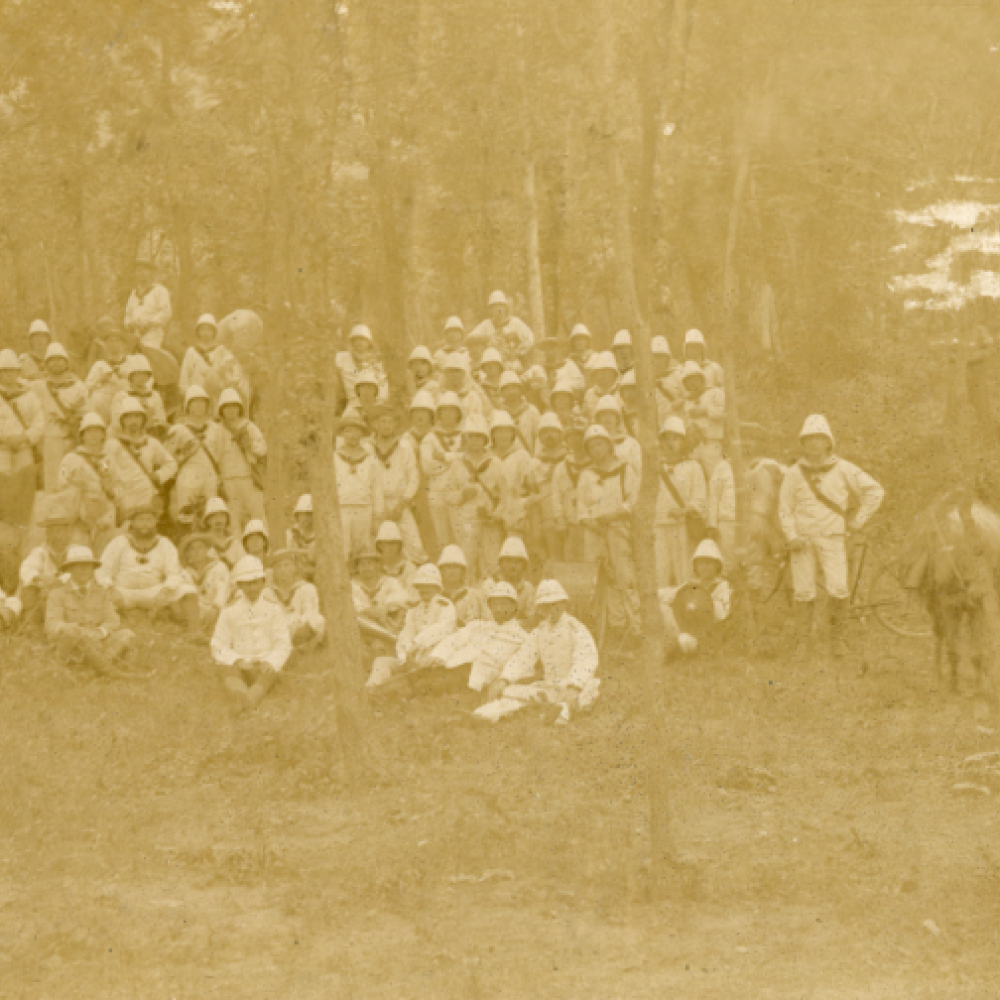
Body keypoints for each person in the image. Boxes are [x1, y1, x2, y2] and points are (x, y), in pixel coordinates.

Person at [778, 414, 885, 659]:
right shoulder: (794, 473)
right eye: (809, 439)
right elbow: (785, 508)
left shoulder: (844, 468)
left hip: (833, 537)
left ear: (829, 442)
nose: (814, 443)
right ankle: (802, 644)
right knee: (803, 590)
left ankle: (839, 642)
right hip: (802, 541)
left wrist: (857, 521)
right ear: (802, 443)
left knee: (838, 587)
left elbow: (875, 491)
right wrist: (791, 535)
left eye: (819, 438)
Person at [474, 579, 600, 725]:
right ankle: (488, 713)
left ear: (564, 604)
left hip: (575, 685)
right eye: (545, 607)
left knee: (586, 694)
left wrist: (575, 685)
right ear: (540, 608)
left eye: (555, 605)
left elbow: (586, 658)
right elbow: (523, 658)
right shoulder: (540, 631)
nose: (551, 610)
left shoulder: (575, 628)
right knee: (513, 692)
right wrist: (505, 679)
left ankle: (562, 712)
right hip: (550, 686)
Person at [98, 504, 200, 633]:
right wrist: (111, 589)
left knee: (187, 590)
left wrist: (165, 590)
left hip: (154, 592)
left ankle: (194, 632)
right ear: (133, 523)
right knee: (99, 594)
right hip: (123, 592)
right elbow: (102, 570)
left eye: (149, 520)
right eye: (141, 520)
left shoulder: (164, 543)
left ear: (155, 522)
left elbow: (174, 573)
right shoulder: (119, 542)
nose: (145, 524)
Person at [577, 425, 639, 636]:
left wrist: (613, 518)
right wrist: (594, 526)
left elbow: (633, 501)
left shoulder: (625, 470)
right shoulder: (586, 475)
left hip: (619, 530)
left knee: (624, 577)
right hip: (594, 534)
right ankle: (614, 625)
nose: (596, 449)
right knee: (601, 579)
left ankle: (634, 625)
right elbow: (581, 508)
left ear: (609, 445)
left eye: (600, 444)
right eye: (591, 446)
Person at [211, 555, 292, 710]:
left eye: (255, 583)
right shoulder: (229, 611)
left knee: (269, 674)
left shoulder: (274, 608)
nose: (252, 588)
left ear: (263, 583)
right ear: (240, 585)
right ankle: (239, 694)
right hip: (240, 663)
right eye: (247, 584)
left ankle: (251, 699)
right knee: (225, 668)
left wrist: (270, 661)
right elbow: (218, 644)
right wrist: (237, 660)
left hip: (264, 663)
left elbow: (283, 644)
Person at [424, 581, 529, 694]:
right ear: (489, 606)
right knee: (424, 679)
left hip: (480, 676)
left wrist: (505, 679)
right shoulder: (477, 625)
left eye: (503, 604)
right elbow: (455, 639)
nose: (498, 609)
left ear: (514, 606)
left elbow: (522, 662)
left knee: (427, 686)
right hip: (456, 665)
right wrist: (438, 655)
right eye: (494, 604)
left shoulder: (522, 636)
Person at [45, 545, 135, 674]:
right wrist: (72, 629)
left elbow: (113, 621)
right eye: (78, 565)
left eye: (87, 565)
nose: (83, 570)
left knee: (127, 635)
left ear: (93, 568)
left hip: (97, 642)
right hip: (71, 645)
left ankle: (94, 667)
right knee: (71, 633)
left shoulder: (102, 593)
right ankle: (105, 669)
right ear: (69, 568)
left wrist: (100, 632)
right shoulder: (57, 594)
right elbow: (52, 624)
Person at [367, 563, 455, 687]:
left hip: (434, 656)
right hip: (412, 658)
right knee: (381, 662)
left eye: (428, 586)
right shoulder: (414, 610)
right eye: (421, 586)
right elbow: (406, 633)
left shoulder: (445, 605)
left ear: (437, 588)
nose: (424, 590)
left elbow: (441, 629)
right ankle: (370, 690)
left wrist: (417, 643)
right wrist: (406, 654)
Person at [440, 414, 505, 579]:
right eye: (471, 436)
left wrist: (495, 515)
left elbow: (506, 496)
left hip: (490, 522)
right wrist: (462, 495)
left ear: (486, 439)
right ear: (465, 439)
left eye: (479, 436)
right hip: (466, 522)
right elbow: (447, 495)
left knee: (491, 564)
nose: (475, 440)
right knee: (467, 564)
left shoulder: (496, 464)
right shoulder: (457, 465)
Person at [654, 416, 708, 588]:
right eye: (666, 439)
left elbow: (700, 497)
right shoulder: (654, 468)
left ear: (683, 442)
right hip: (659, 525)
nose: (670, 444)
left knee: (684, 571)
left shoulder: (693, 466)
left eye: (675, 439)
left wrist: (684, 511)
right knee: (660, 570)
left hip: (683, 525)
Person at [29, 341, 90, 492]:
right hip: (49, 438)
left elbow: (87, 411)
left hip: (73, 436)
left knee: (72, 475)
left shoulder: (78, 386)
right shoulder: (38, 386)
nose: (56, 363)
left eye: (60, 359)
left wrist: (74, 420)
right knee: (53, 477)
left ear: (66, 363)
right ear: (46, 364)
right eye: (52, 360)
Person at [369, 403, 425, 564]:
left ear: (395, 425)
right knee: (374, 543)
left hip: (399, 502)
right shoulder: (367, 448)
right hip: (374, 504)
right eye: (382, 422)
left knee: (415, 546)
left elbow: (413, 475)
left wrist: (404, 502)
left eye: (390, 422)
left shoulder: (404, 446)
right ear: (375, 425)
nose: (386, 426)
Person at [658, 538, 732, 656]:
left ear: (717, 565)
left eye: (709, 563)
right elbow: (671, 594)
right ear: (695, 566)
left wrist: (703, 602)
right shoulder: (692, 585)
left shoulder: (722, 587)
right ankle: (678, 639)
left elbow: (721, 614)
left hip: (710, 632)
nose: (704, 567)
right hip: (689, 630)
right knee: (663, 605)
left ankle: (686, 647)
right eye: (700, 563)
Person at [105, 397, 176, 518]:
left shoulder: (152, 443)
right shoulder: (113, 444)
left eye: (137, 417)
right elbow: (106, 470)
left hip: (146, 495)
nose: (133, 421)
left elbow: (171, 464)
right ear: (122, 421)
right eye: (129, 417)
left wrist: (158, 476)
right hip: (124, 496)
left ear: (143, 420)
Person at [58, 413, 117, 551]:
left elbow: (116, 486)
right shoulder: (70, 458)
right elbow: (61, 484)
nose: (93, 435)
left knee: (103, 556)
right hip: (77, 517)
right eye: (89, 431)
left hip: (102, 517)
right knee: (78, 554)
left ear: (103, 435)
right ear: (82, 435)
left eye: (98, 431)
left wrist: (107, 517)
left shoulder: (107, 460)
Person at [0, 349, 45, 531]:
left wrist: (24, 437)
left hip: (24, 446)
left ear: (18, 373)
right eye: (4, 371)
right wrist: (4, 439)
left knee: (24, 483)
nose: (8, 375)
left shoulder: (30, 395)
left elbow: (39, 422)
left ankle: (20, 522)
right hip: (2, 448)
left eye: (12, 371)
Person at [420, 392, 464, 555]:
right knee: (443, 538)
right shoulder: (430, 438)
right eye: (443, 411)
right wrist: (455, 462)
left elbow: (469, 460)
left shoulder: (466, 435)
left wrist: (446, 457)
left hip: (459, 492)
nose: (447, 414)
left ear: (458, 413)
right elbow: (428, 467)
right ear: (438, 414)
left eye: (452, 410)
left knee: (462, 536)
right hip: (436, 491)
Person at [17, 503, 74, 631]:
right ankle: (32, 625)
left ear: (68, 533)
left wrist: (59, 581)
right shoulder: (40, 552)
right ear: (47, 534)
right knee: (29, 589)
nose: (56, 536)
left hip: (69, 601)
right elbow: (26, 570)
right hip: (45, 600)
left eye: (60, 531)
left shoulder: (77, 552)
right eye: (52, 531)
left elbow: (81, 575)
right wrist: (40, 578)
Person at [216, 387, 267, 528]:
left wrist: (249, 445)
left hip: (249, 477)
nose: (231, 410)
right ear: (221, 410)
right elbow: (214, 456)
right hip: (228, 479)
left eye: (234, 406)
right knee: (233, 520)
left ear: (240, 408)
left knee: (258, 516)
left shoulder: (249, 427)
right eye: (227, 407)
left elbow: (263, 449)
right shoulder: (217, 430)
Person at [335, 407, 381, 562]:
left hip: (364, 508)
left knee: (363, 548)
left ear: (362, 433)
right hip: (342, 509)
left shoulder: (370, 459)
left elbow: (376, 489)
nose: (353, 435)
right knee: (343, 549)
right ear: (342, 434)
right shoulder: (334, 458)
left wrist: (377, 516)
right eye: (348, 431)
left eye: (356, 431)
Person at [179, 313, 250, 410]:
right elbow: (184, 379)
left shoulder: (222, 351)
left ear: (214, 332)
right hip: (197, 399)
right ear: (198, 332)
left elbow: (235, 371)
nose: (206, 333)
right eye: (202, 329)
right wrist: (189, 396)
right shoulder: (191, 352)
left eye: (209, 329)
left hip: (217, 399)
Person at [265, 549, 325, 654]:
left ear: (293, 568)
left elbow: (310, 612)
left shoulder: (306, 588)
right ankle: (292, 649)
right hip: (277, 632)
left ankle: (296, 648)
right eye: (278, 567)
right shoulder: (266, 592)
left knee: (318, 620)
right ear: (273, 570)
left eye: (287, 565)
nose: (283, 570)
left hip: (299, 631)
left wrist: (297, 624)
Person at [163, 422, 218, 536]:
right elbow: (166, 455)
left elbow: (219, 453)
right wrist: (183, 455)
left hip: (210, 474)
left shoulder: (215, 428)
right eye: (195, 403)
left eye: (202, 403)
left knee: (210, 512)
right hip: (188, 473)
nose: (199, 406)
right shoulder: (178, 428)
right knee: (186, 514)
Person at [527, 412, 567, 563]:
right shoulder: (534, 463)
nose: (549, 435)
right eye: (545, 432)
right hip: (546, 517)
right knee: (552, 558)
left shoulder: (569, 459)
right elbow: (532, 494)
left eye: (553, 431)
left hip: (568, 516)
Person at [551, 415, 590, 561]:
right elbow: (556, 496)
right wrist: (560, 519)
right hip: (570, 523)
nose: (575, 440)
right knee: (571, 560)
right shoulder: (561, 467)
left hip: (591, 524)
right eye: (571, 437)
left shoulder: (595, 465)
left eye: (579, 436)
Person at [489, 410, 532, 540]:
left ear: (513, 434)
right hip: (491, 510)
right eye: (499, 431)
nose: (503, 435)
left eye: (507, 431)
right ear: (492, 434)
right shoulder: (486, 456)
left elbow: (528, 487)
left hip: (514, 512)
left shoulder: (521, 456)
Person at [178, 533, 231, 633]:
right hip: (194, 613)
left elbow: (223, 592)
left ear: (206, 549)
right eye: (192, 549)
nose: (196, 552)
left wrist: (215, 609)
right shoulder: (185, 572)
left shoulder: (218, 566)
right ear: (187, 553)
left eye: (200, 547)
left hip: (216, 609)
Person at [468, 290, 535, 367]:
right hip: (491, 364)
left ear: (505, 308)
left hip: (511, 363)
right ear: (490, 309)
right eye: (494, 307)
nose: (498, 309)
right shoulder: (486, 324)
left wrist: (517, 352)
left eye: (500, 306)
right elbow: (471, 339)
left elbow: (530, 339)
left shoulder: (515, 322)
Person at [85, 325, 136, 424]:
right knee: (96, 399)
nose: (114, 344)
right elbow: (87, 387)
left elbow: (145, 381)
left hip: (127, 396)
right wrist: (101, 380)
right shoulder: (100, 364)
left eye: (117, 341)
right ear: (105, 344)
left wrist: (126, 378)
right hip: (105, 401)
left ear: (123, 344)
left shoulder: (132, 362)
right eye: (110, 341)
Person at [682, 361, 726, 473]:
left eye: (695, 379)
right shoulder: (687, 400)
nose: (693, 383)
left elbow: (724, 412)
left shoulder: (715, 392)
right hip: (694, 445)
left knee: (715, 475)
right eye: (689, 381)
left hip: (711, 443)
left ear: (702, 379)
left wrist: (705, 411)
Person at [482, 535, 536, 623]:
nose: (512, 566)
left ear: (524, 565)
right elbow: (488, 618)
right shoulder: (489, 585)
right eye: (508, 561)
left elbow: (531, 619)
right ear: (500, 563)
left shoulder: (528, 588)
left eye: (517, 562)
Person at [110, 354, 167, 437]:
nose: (141, 378)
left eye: (144, 374)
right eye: (137, 374)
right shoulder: (121, 395)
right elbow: (116, 421)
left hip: (150, 432)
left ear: (148, 377)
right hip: (126, 433)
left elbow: (161, 416)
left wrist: (153, 422)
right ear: (131, 376)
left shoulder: (154, 395)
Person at [335, 324, 388, 408]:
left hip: (371, 404)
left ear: (369, 342)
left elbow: (382, 385)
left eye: (363, 339)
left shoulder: (375, 362)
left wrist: (379, 403)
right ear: (352, 341)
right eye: (356, 339)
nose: (360, 342)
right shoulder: (342, 358)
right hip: (350, 405)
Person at [125, 258, 172, 349]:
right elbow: (128, 313)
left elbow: (166, 312)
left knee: (148, 357)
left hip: (152, 334)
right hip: (134, 334)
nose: (141, 273)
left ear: (151, 273)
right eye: (138, 270)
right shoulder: (134, 293)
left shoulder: (159, 290)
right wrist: (129, 324)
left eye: (144, 270)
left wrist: (149, 324)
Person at [438, 543, 489, 626]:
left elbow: (486, 621)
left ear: (463, 570)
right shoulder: (437, 598)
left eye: (456, 567)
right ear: (441, 571)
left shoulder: (475, 595)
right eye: (448, 567)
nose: (452, 571)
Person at [593, 394, 641, 478]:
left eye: (611, 414)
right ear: (598, 419)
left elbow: (638, 471)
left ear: (617, 418)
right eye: (603, 414)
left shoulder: (631, 443)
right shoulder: (592, 444)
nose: (607, 418)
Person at [705, 448, 737, 572]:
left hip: (748, 523)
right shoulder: (722, 467)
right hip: (727, 521)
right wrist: (713, 524)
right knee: (726, 560)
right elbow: (713, 496)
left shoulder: (756, 466)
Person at [499, 372, 539, 453]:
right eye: (506, 389)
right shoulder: (498, 413)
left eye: (514, 388)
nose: (510, 392)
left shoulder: (531, 410)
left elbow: (538, 436)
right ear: (502, 392)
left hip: (528, 457)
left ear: (520, 390)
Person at [442, 352, 489, 419]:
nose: (454, 374)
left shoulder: (472, 398)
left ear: (463, 373)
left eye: (457, 371)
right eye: (451, 371)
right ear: (446, 374)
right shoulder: (440, 396)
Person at [375, 520, 417, 593]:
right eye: (386, 544)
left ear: (399, 545)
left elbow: (412, 594)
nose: (390, 547)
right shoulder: (375, 568)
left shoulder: (409, 568)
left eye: (394, 543)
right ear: (379, 545)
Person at [203, 496, 246, 568]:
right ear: (207, 520)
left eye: (222, 516)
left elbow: (244, 566)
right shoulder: (203, 544)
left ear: (227, 520)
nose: (218, 520)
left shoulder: (235, 543)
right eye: (214, 516)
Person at [582, 352, 620, 420]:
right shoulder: (589, 394)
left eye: (607, 372)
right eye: (601, 372)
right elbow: (585, 416)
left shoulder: (620, 393)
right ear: (596, 374)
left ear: (614, 373)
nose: (604, 375)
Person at [286, 494, 316, 574]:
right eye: (302, 514)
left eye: (308, 514)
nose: (305, 517)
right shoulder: (291, 534)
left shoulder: (319, 535)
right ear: (297, 516)